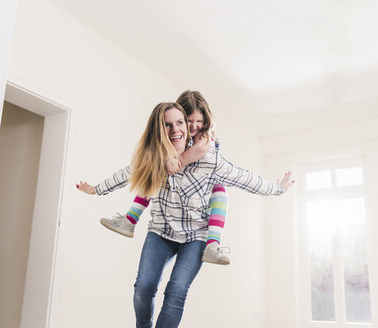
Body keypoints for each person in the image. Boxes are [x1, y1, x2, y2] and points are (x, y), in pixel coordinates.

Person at [77, 101, 294, 328]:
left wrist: (278, 189)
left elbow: (245, 178)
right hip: (161, 231)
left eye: (180, 123)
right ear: (159, 129)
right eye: (167, 125)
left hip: (195, 236)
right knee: (143, 288)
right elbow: (128, 173)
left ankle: (213, 243)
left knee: (176, 292)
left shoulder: (210, 159)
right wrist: (96, 189)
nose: (176, 130)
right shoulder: (154, 157)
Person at [101, 90, 233, 265]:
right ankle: (130, 220)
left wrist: (175, 162)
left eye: (199, 121)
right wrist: (164, 160)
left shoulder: (206, 137)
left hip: (202, 186)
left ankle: (212, 244)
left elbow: (200, 149)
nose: (194, 126)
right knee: (153, 173)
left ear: (206, 121)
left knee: (221, 193)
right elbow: (155, 152)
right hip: (174, 190)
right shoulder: (173, 134)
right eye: (189, 121)